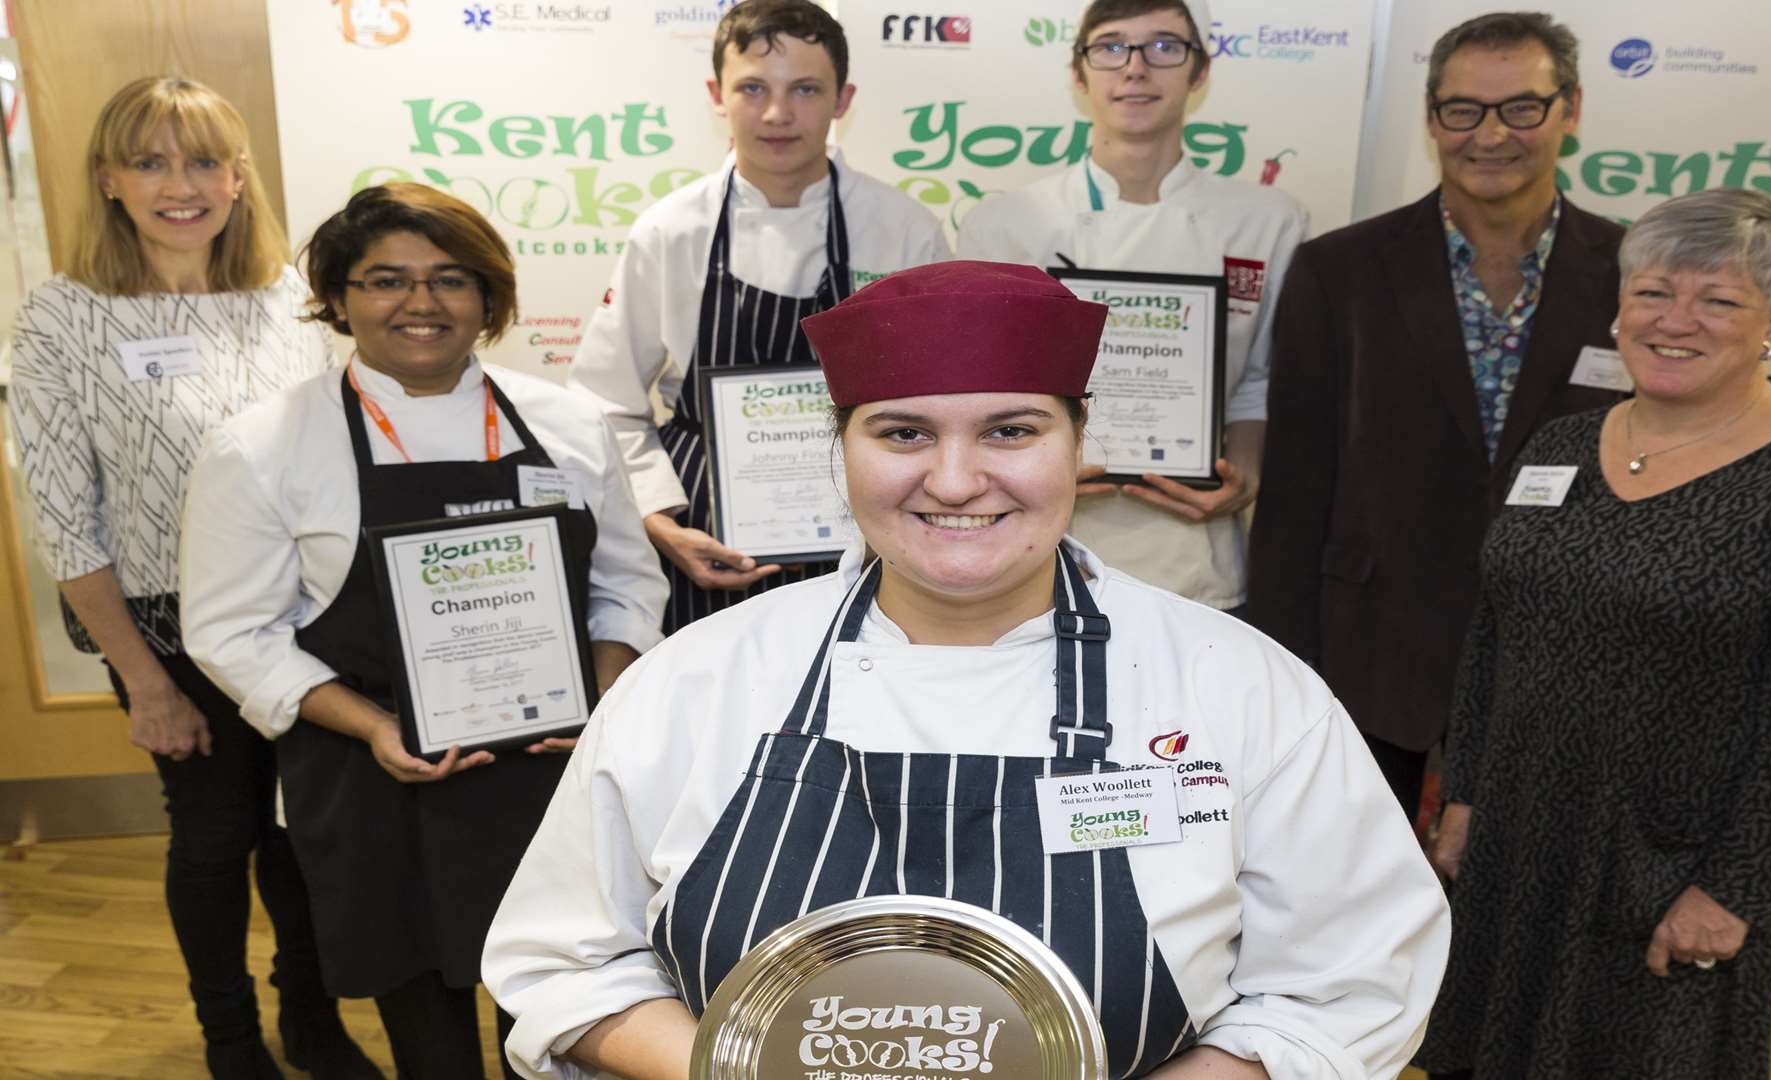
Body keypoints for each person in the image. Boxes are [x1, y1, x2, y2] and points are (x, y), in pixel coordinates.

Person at [483, 261, 1449, 1079]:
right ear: (842, 450)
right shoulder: (699, 679)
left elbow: (1349, 975)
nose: (953, 480)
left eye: (1011, 431)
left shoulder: (1240, 688)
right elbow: (566, 957)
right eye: (902, 432)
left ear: (1082, 441)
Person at [180, 183, 669, 1077]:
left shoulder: (567, 424)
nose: (420, 303)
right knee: (428, 1032)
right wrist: (374, 728)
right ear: (337, 298)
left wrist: (601, 692)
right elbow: (230, 633)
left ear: (489, 299)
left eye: (450, 279)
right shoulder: (262, 445)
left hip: (552, 775)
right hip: (379, 781)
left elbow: (625, 585)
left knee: (559, 1014)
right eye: (384, 280)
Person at [1415, 188, 1771, 1079]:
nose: (1677, 320)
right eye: (1654, 292)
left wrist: (1735, 891)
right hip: (1517, 851)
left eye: (1718, 299)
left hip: (1664, 871)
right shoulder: (1558, 449)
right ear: (1620, 306)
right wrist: (1468, 793)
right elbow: (1494, 634)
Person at [5, 77, 377, 1080]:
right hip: (166, 631)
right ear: (109, 180)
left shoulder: (294, 304)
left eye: (207, 159)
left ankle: (311, 1018)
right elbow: (63, 524)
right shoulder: (61, 321)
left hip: (302, 620)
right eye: (154, 161)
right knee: (218, 837)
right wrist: (149, 683)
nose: (184, 185)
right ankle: (228, 1038)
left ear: (240, 177)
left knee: (303, 837)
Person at [1245, 12, 1626, 820]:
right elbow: (1295, 493)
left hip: (1564, 666)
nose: (1491, 135)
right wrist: (1280, 673)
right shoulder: (1337, 272)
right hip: (1371, 659)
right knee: (1352, 917)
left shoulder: (1636, 276)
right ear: (1430, 116)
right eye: (1465, 110)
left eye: (1521, 107)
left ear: (1571, 110)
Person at [570, 0, 949, 634]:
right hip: (704, 536)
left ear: (842, 99)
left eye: (805, 89)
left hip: (864, 536)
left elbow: (939, 400)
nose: (777, 114)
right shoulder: (670, 231)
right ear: (717, 94)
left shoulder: (903, 228)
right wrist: (660, 519)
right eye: (753, 88)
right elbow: (602, 400)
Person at [957, 0, 1304, 615]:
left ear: (1199, 73)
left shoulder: (1267, 222)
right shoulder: (1005, 225)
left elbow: (1257, 382)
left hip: (1194, 550)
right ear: (1079, 73)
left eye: (1165, 47)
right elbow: (979, 394)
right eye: (1112, 47)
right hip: (1041, 544)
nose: (1136, 68)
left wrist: (1243, 473)